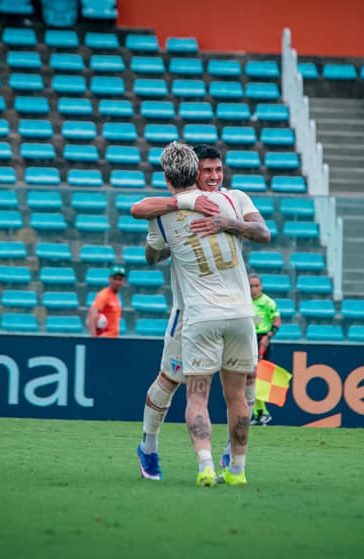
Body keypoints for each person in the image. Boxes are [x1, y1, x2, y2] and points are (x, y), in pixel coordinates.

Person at [132, 145, 270, 481]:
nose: (213, 176)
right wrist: (172, 235)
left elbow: (264, 233)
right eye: (207, 171)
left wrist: (228, 224)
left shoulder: (234, 199)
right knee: (170, 379)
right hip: (188, 311)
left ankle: (227, 455)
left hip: (228, 309)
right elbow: (152, 252)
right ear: (194, 173)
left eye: (218, 170)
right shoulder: (169, 210)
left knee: (243, 384)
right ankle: (149, 446)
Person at [249, 273, 281, 425]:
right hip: (248, 340)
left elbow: (277, 322)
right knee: (249, 377)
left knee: (259, 377)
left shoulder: (268, 302)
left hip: (262, 341)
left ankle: (260, 412)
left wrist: (268, 337)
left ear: (261, 286)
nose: (254, 289)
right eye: (251, 286)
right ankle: (260, 413)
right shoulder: (245, 302)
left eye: (256, 286)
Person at [86, 265, 125, 338]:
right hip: (105, 339)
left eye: (120, 279)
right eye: (115, 279)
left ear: (123, 281)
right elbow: (92, 312)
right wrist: (93, 337)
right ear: (109, 279)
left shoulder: (115, 296)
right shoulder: (104, 295)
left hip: (113, 339)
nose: (117, 282)